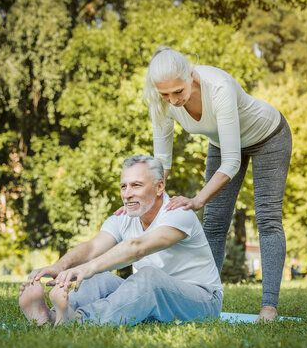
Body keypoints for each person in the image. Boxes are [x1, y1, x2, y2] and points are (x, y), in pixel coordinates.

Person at [143, 46, 292, 322]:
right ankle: (202, 300)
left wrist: (198, 199)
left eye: (178, 91)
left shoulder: (219, 86)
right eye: (165, 94)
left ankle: (269, 307)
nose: (173, 100)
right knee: (213, 222)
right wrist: (147, 203)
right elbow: (162, 162)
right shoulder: (160, 102)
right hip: (223, 143)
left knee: (268, 218)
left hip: (269, 137)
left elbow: (232, 163)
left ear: (190, 76)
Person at [18, 154, 223, 327]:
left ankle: (80, 320)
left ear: (159, 187)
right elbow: (92, 248)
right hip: (156, 294)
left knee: (148, 277)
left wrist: (88, 267)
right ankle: (50, 315)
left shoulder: (179, 213)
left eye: (136, 185)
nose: (127, 194)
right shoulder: (124, 216)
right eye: (123, 186)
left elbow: (138, 248)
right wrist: (60, 265)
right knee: (97, 277)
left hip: (203, 301)